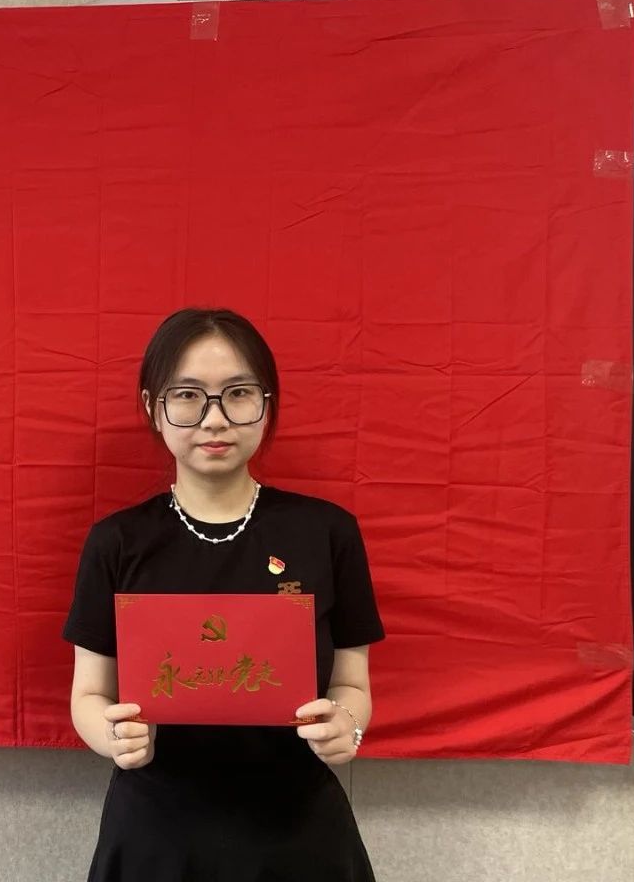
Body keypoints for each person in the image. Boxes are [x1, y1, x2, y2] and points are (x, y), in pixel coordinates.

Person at [63, 307, 385, 882]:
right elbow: (88, 694)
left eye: (238, 394)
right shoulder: (117, 542)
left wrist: (346, 725)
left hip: (298, 832)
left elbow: (352, 685)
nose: (215, 419)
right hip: (155, 833)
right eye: (188, 396)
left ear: (267, 404)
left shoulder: (327, 533)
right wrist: (113, 737)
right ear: (153, 407)